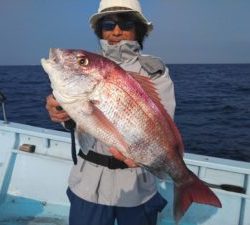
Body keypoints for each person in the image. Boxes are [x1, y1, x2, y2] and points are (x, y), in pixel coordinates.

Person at [46, 0, 176, 225]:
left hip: (137, 185)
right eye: (108, 24)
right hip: (89, 184)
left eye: (126, 23)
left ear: (138, 29)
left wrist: (149, 157)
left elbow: (162, 123)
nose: (117, 31)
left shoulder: (154, 71)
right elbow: (81, 119)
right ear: (101, 31)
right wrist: (62, 115)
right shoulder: (84, 68)